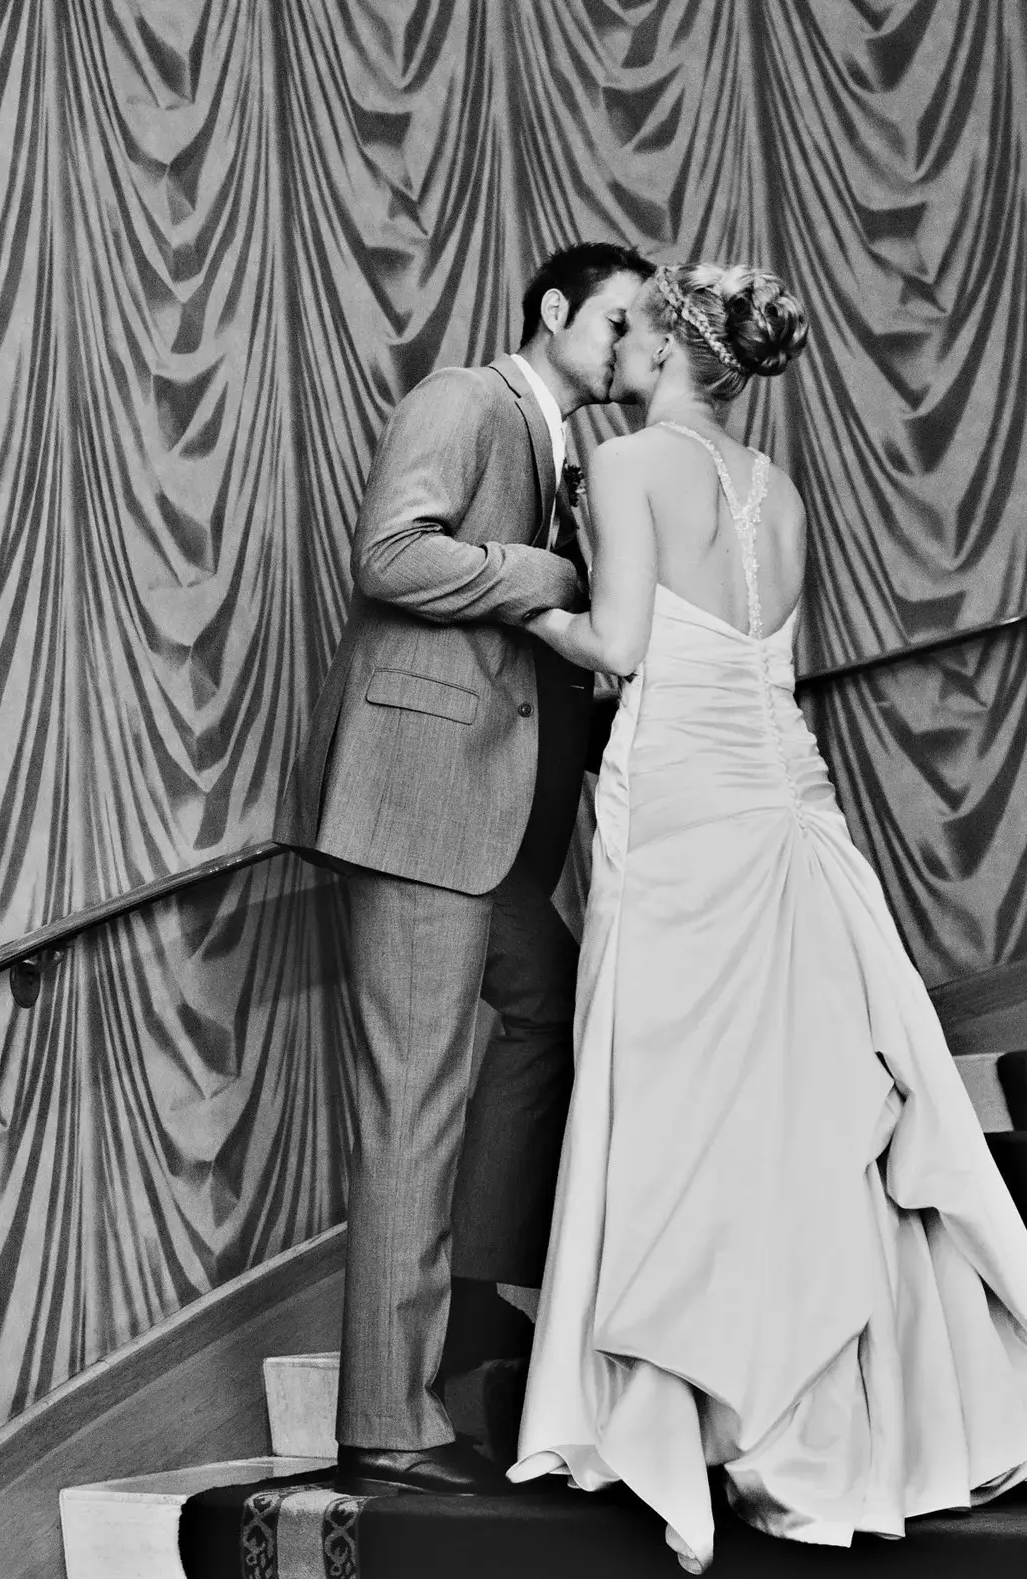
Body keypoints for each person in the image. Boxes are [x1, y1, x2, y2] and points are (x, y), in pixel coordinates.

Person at [510, 263, 1027, 1569]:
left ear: (670, 342)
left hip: (677, 805)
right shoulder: (780, 485)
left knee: (681, 1103)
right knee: (798, 1098)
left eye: (629, 323)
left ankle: (710, 1407)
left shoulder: (626, 464)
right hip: (781, 788)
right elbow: (761, 653)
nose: (613, 343)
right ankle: (825, 1420)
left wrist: (520, 598)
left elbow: (619, 649)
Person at [278, 243, 653, 1496]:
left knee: (544, 1009)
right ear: (553, 312)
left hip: (487, 829)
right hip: (420, 810)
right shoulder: (464, 398)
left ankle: (480, 1307)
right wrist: (548, 575)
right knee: (414, 1098)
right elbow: (390, 555)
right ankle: (384, 1418)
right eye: (615, 321)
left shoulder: (562, 447)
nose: (628, 344)